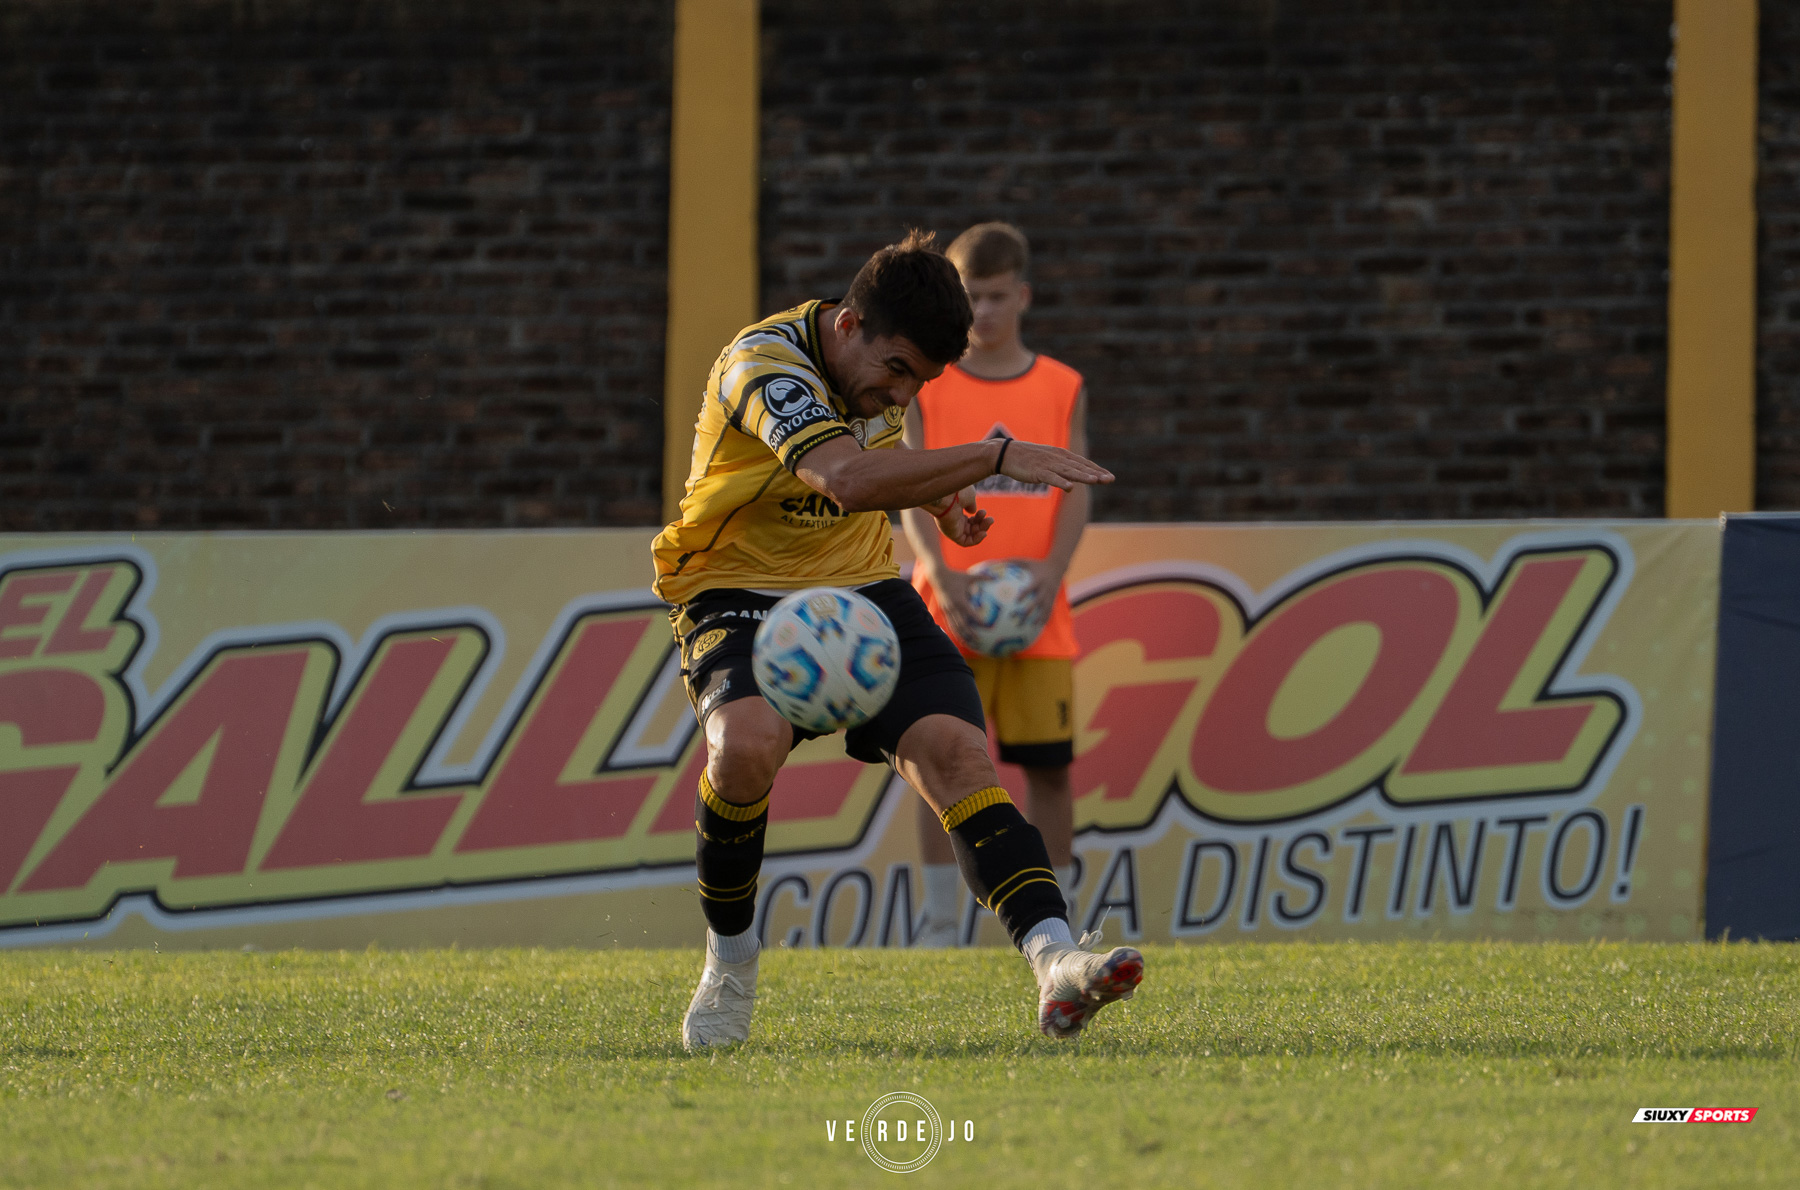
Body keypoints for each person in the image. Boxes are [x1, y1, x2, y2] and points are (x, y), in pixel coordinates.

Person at [652, 230, 1143, 1049]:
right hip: (734, 589)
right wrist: (992, 458)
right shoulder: (764, 367)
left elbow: (881, 447)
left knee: (957, 754)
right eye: (898, 372)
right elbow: (845, 478)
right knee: (744, 748)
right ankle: (730, 965)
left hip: (861, 589)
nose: (901, 393)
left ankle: (1056, 960)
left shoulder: (873, 367)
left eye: (919, 381)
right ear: (848, 325)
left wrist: (940, 500)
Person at [901, 223, 1087, 947]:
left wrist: (1051, 570)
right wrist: (941, 574)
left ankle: (1061, 924)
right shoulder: (928, 383)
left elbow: (1077, 488)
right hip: (948, 608)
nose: (983, 311)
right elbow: (909, 485)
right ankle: (940, 926)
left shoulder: (1061, 385)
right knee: (938, 766)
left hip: (1037, 611)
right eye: (971, 296)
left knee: (1049, 770)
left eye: (997, 296)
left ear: (1024, 296)